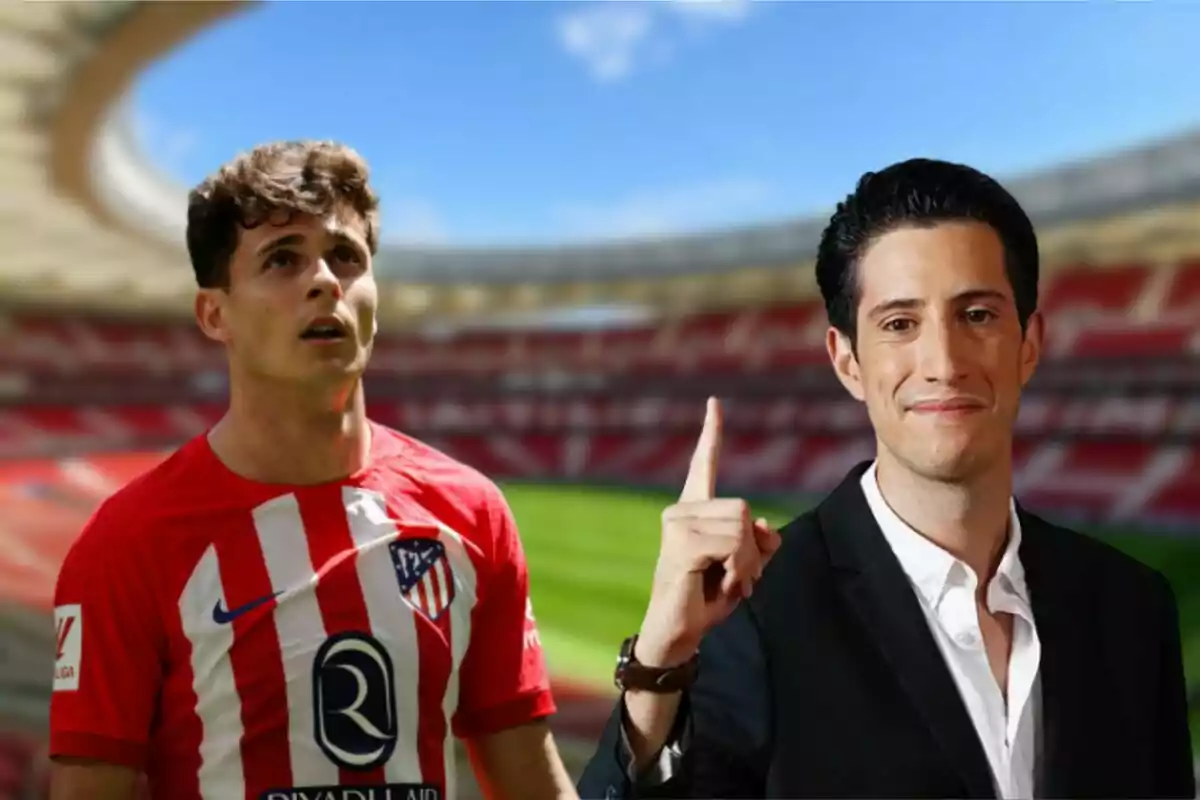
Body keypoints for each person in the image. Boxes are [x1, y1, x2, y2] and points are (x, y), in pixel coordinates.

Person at [578, 158, 1195, 799]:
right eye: (900, 324)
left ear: (1029, 343)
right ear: (846, 361)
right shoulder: (756, 616)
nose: (943, 362)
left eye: (977, 315)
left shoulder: (1132, 609)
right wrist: (658, 667)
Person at [48, 141, 578, 800]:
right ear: (215, 313)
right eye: (282, 259)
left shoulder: (470, 514)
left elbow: (529, 776)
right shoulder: (128, 544)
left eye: (347, 257)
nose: (326, 279)